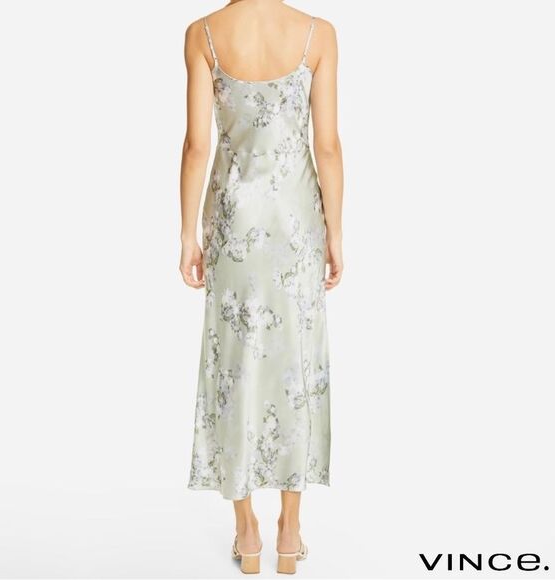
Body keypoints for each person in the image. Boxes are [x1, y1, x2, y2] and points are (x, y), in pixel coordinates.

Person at [179, 0, 343, 573]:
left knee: (235, 368)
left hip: (234, 222)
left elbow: (197, 145)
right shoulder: (317, 34)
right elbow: (327, 146)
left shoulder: (203, 34)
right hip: (295, 223)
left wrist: (187, 234)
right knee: (294, 365)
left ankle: (246, 532)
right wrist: (335, 232)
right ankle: (290, 532)